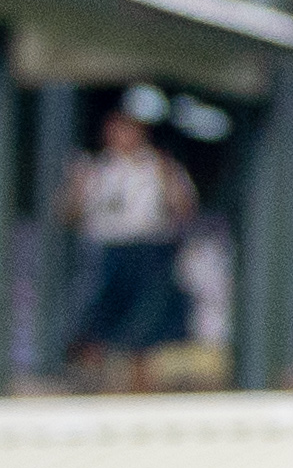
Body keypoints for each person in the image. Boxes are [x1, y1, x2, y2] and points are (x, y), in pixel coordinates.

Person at [62, 100, 198, 385]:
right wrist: (77, 185)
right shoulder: (97, 169)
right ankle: (95, 383)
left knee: (143, 329)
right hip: (107, 249)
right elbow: (68, 214)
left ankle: (140, 384)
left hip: (146, 249)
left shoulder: (159, 167)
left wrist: (168, 180)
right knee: (96, 323)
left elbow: (183, 208)